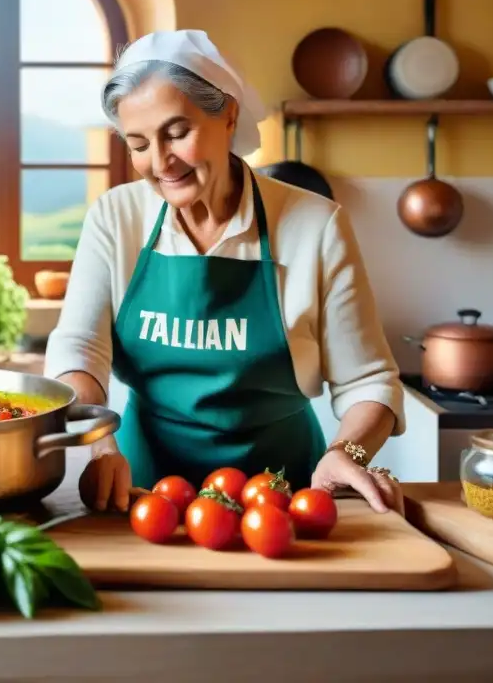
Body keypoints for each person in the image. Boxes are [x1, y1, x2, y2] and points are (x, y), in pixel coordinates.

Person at [44, 30, 405, 516]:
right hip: (142, 495)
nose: (160, 163)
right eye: (139, 144)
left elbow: (369, 382)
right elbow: (80, 350)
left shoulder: (315, 226)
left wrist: (347, 454)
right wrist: (102, 447)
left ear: (228, 115)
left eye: (176, 133)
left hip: (283, 496)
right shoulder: (115, 217)